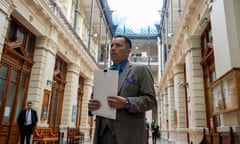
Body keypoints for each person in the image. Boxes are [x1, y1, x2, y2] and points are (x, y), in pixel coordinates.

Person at [88, 34, 157, 144]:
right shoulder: (103, 74)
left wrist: (126, 102)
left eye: (118, 45)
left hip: (129, 136)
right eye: (112, 46)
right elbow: (94, 100)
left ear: (128, 51)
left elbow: (151, 101)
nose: (113, 48)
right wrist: (91, 108)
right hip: (103, 136)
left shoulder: (140, 70)